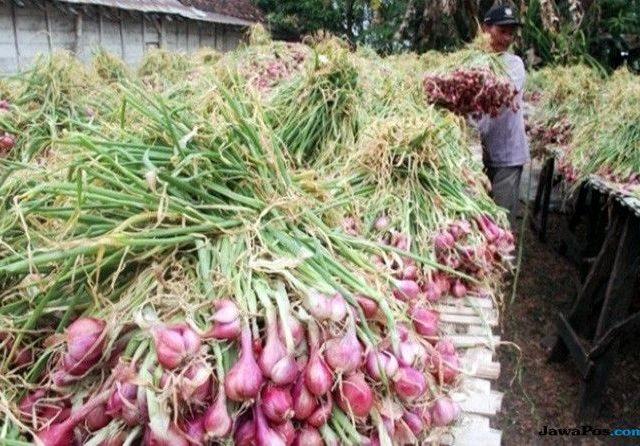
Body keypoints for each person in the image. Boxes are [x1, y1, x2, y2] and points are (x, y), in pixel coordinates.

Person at [475, 5, 530, 229]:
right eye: (502, 31)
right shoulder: (474, 61)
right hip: (482, 153)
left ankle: (506, 264)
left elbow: (501, 92)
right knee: (481, 220)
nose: (508, 38)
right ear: (486, 29)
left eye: (511, 32)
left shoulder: (514, 64)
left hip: (508, 154)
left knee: (501, 223)